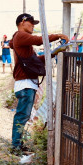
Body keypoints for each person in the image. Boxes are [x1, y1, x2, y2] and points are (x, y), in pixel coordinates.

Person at [9, 13, 67, 154]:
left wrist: (53, 53)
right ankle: (15, 147)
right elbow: (40, 40)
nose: (33, 25)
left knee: (23, 116)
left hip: (27, 84)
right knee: (22, 116)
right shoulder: (20, 35)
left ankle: (18, 145)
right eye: (31, 22)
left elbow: (35, 60)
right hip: (25, 84)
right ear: (22, 22)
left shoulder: (20, 39)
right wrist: (58, 35)